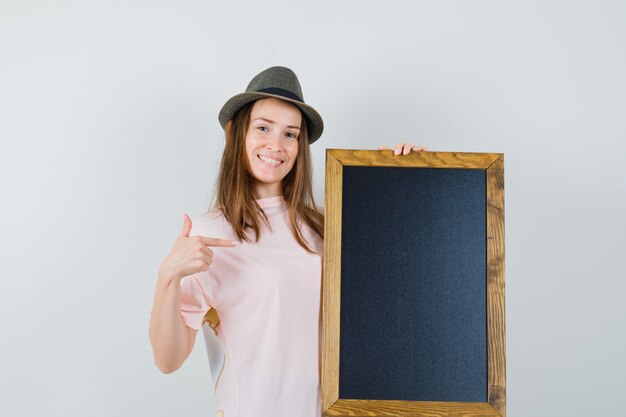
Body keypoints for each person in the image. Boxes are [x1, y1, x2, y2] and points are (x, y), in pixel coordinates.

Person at [148, 66, 427, 417]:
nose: (276, 145)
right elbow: (168, 360)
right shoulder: (210, 235)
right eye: (263, 127)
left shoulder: (328, 225)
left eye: (290, 134)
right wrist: (168, 277)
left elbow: (405, 280)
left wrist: (413, 175)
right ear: (235, 132)